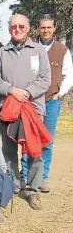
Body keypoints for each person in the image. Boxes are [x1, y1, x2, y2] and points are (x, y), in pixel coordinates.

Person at [0, 14, 50, 210]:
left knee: (35, 151)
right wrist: (12, 90)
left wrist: (27, 92)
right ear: (9, 29)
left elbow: (44, 79)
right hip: (8, 109)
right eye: (14, 26)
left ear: (28, 28)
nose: (17, 29)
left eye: (21, 26)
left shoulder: (38, 50)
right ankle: (13, 185)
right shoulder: (2, 52)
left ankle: (33, 190)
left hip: (33, 109)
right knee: (8, 150)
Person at [20, 14, 73, 193]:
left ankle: (43, 177)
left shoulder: (62, 50)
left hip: (51, 101)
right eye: (43, 27)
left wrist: (59, 94)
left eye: (49, 27)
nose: (46, 30)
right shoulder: (30, 47)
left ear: (54, 28)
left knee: (47, 140)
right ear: (37, 28)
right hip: (31, 102)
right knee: (28, 139)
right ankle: (25, 175)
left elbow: (69, 75)